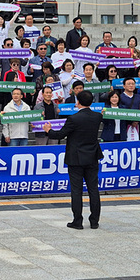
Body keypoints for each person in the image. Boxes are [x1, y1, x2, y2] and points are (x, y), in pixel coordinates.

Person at [42, 91, 103, 230]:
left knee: (76, 190)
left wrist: (48, 130)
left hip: (76, 158)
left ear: (78, 102)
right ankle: (94, 221)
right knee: (93, 189)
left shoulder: (73, 118)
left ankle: (77, 221)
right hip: (92, 156)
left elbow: (60, 135)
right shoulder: (97, 116)